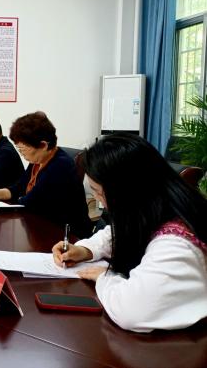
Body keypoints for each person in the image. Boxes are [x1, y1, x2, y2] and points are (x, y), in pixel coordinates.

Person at [52, 133, 207, 332]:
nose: (98, 200)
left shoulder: (177, 244)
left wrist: (104, 278)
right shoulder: (157, 205)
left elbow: (131, 312)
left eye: (99, 191)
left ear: (126, 190)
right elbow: (117, 233)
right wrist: (85, 250)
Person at [0, 112, 92, 238]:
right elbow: (19, 188)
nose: (22, 154)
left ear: (43, 145)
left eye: (23, 150)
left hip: (66, 236)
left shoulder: (61, 165)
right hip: (41, 227)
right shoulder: (37, 161)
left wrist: (16, 198)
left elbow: (29, 201)